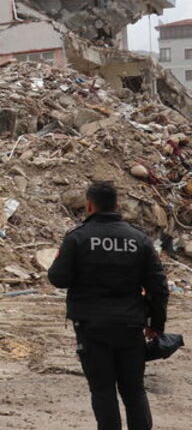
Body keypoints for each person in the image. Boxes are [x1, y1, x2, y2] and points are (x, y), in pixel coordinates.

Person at [48, 181, 169, 430]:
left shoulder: (77, 238)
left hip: (92, 328)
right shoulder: (139, 239)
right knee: (134, 391)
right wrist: (156, 325)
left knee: (103, 391)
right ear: (117, 206)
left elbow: (58, 278)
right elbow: (159, 287)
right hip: (130, 327)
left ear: (89, 205)